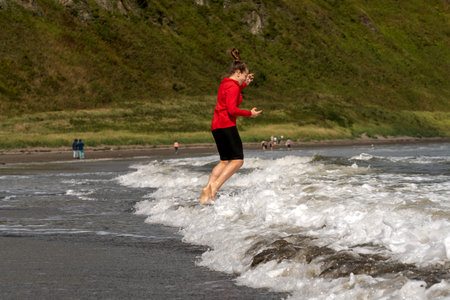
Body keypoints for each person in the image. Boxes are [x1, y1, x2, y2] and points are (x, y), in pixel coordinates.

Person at [200, 48, 262, 204]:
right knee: (238, 160)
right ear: (239, 72)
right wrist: (250, 114)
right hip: (227, 125)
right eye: (245, 76)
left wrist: (244, 85)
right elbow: (232, 109)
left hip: (217, 126)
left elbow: (231, 94)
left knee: (224, 161)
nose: (245, 79)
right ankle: (215, 185)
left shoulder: (225, 84)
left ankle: (206, 192)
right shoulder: (233, 86)